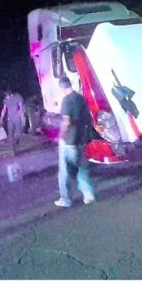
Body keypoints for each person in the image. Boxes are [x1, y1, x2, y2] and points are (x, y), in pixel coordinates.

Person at [54, 76, 96, 208]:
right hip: (81, 140)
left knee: (64, 172)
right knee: (81, 169)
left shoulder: (67, 100)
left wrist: (60, 136)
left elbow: (66, 121)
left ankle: (65, 199)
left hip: (69, 141)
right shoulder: (80, 98)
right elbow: (87, 118)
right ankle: (89, 194)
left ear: (61, 87)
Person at [0, 89, 24, 155]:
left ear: (10, 94)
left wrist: (18, 115)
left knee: (18, 134)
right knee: (10, 135)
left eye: (7, 96)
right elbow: (4, 109)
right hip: (9, 119)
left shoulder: (17, 97)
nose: (6, 98)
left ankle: (16, 144)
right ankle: (12, 150)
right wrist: (1, 119)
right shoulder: (5, 100)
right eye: (5, 97)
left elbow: (21, 107)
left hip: (17, 118)